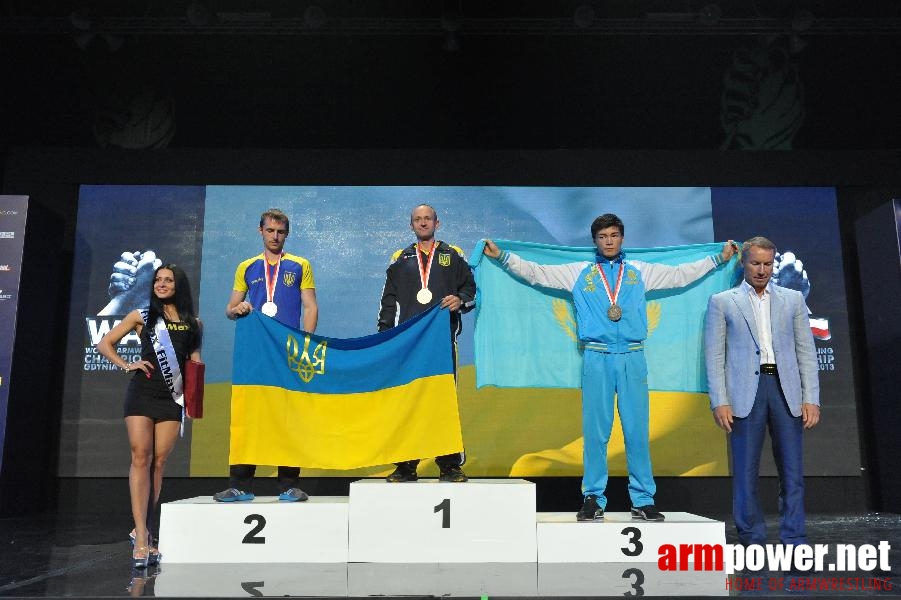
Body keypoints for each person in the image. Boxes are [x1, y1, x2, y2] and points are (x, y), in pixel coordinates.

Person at [483, 214, 737, 521]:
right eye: (603, 236)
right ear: (594, 241)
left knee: (636, 431)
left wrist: (717, 260)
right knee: (596, 432)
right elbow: (537, 273)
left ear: (622, 238)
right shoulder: (579, 272)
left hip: (632, 356)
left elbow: (681, 275)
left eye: (614, 235)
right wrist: (504, 257)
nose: (609, 241)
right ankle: (593, 497)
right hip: (596, 356)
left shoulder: (639, 272)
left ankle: (643, 500)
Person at [704, 236, 820, 547]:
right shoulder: (723, 301)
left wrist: (811, 398)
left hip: (786, 390)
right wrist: (720, 401)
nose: (762, 270)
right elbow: (714, 356)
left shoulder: (792, 300)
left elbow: (805, 352)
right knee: (745, 473)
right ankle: (751, 537)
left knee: (793, 473)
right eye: (755, 263)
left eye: (768, 264)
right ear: (744, 262)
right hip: (745, 393)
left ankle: (795, 537)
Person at [96, 264, 202, 568]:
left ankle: (144, 528)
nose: (162, 284)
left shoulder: (193, 323)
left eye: (168, 280)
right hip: (142, 393)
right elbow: (105, 343)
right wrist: (126, 364)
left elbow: (195, 364)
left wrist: (194, 403)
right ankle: (142, 536)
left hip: (172, 398)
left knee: (158, 462)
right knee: (140, 456)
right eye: (158, 280)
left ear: (178, 286)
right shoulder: (141, 316)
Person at [213, 208, 319, 503]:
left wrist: (305, 344)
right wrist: (239, 308)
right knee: (250, 416)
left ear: (287, 234)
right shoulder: (246, 266)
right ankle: (240, 485)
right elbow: (230, 308)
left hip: (287, 352)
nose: (275, 236)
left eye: (281, 232)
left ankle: (288, 485)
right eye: (270, 230)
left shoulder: (300, 265)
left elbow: (310, 306)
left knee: (288, 416)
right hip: (255, 354)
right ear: (260, 231)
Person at [377, 204, 476, 483]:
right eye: (417, 220)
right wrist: (385, 336)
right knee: (407, 402)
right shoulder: (400, 257)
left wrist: (460, 300)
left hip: (441, 340)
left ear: (437, 222)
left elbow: (471, 289)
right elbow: (388, 300)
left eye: (427, 219)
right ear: (411, 225)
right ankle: (406, 466)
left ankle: (449, 465)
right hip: (407, 343)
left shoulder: (452, 255)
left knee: (443, 403)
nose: (423, 223)